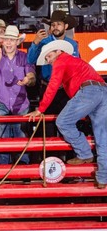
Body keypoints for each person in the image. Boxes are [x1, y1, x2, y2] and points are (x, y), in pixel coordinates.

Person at [26, 40, 107, 189]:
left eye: (49, 56)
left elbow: (53, 84)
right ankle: (103, 178)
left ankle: (84, 153)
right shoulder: (75, 62)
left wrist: (41, 109)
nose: (48, 60)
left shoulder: (61, 61)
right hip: (102, 91)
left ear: (58, 51)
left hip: (89, 91)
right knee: (103, 137)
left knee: (63, 122)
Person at [0, 25, 35, 165]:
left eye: (11, 40)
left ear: (17, 42)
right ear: (2, 41)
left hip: (21, 104)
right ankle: (4, 169)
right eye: (6, 39)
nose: (8, 43)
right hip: (1, 103)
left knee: (21, 138)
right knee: (2, 140)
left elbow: (32, 76)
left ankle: (23, 170)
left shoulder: (25, 57)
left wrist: (27, 79)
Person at [27, 10, 80, 140]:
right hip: (47, 87)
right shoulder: (44, 42)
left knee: (67, 124)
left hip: (65, 90)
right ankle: (50, 157)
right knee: (48, 127)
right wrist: (35, 43)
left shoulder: (73, 44)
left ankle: (66, 157)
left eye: (59, 24)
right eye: (53, 24)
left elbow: (76, 66)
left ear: (65, 26)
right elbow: (30, 60)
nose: (55, 27)